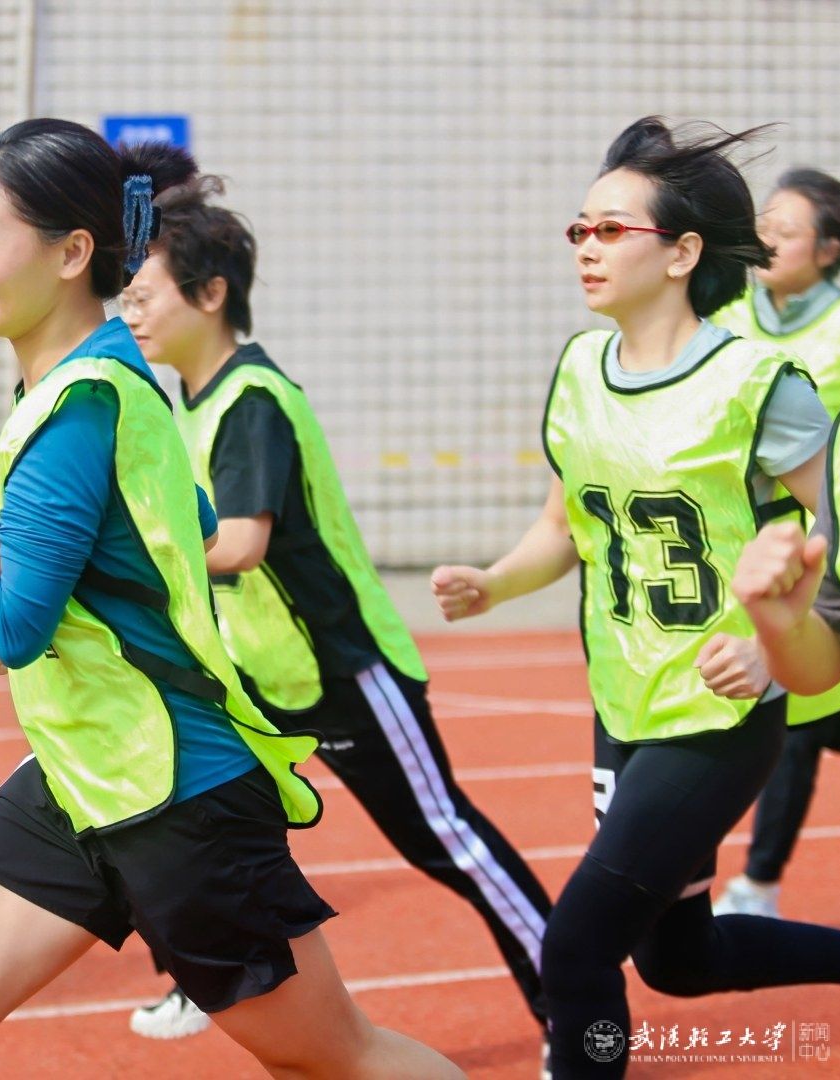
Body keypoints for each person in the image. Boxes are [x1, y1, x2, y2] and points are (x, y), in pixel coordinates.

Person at [0, 118, 461, 1079]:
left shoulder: (83, 400)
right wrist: (42, 601)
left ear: (72, 253)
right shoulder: (103, 382)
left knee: (334, 1060)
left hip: (176, 794)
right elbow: (148, 547)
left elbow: (15, 628)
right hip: (81, 773)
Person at [430, 118, 840, 1078]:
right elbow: (564, 527)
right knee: (677, 962)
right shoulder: (579, 372)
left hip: (718, 711)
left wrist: (777, 642)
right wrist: (496, 580)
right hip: (622, 707)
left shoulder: (759, 385)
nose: (586, 248)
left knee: (577, 947)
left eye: (610, 230)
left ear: (681, 252)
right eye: (579, 230)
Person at [118, 179, 551, 1043]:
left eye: (144, 295)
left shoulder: (251, 402)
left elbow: (239, 541)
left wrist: (125, 572)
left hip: (343, 669)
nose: (130, 312)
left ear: (209, 296)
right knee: (184, 825)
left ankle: (575, 1005)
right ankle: (203, 975)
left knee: (446, 843)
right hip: (260, 675)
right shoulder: (190, 405)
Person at [709, 167, 840, 918]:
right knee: (812, 704)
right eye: (762, 230)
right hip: (757, 559)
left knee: (800, 715)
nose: (766, 243)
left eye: (783, 232)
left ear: (830, 248)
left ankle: (761, 883)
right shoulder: (724, 316)